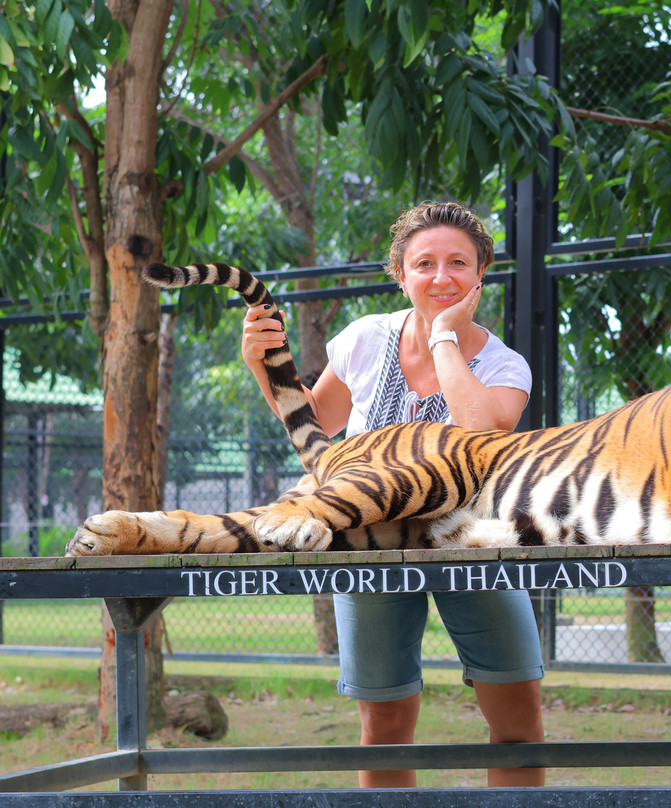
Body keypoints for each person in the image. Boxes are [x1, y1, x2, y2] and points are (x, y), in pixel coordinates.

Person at [240, 201, 545, 788]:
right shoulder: (362, 339)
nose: (441, 277)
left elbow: (482, 429)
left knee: (517, 721)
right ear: (400, 275)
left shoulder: (505, 364)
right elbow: (318, 427)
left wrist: (444, 339)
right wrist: (262, 365)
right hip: (369, 543)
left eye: (458, 262)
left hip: (472, 544)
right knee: (383, 722)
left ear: (481, 274)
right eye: (423, 263)